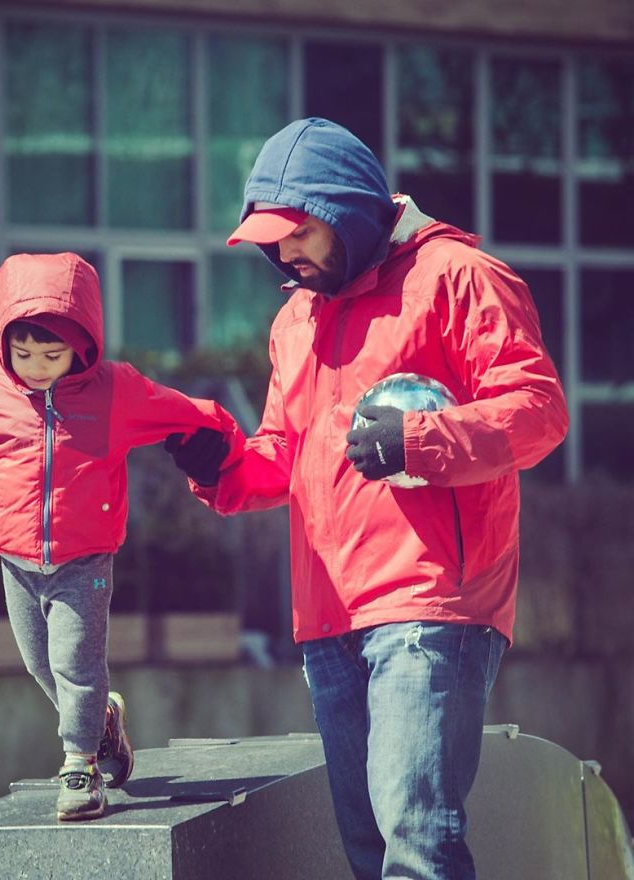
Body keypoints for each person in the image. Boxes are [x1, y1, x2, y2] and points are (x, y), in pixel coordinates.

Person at [164, 118, 568, 879]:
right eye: (270, 240)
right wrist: (218, 464)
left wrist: (420, 443)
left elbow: (540, 411)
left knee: (417, 841)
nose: (282, 253)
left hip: (429, 605)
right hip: (328, 614)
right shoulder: (296, 318)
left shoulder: (458, 276)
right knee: (368, 850)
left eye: (297, 232)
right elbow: (281, 457)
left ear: (347, 209)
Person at [0, 252, 239, 822]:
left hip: (86, 558)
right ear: (4, 343)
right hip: (16, 559)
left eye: (51, 355)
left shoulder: (114, 389)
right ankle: (101, 723)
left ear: (83, 345)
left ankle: (80, 765)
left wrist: (218, 433)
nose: (36, 367)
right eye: (22, 354)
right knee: (38, 664)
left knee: (76, 661)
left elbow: (179, 411)